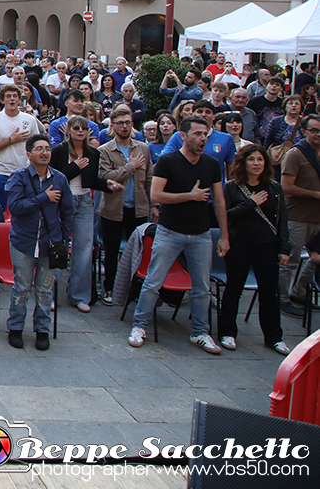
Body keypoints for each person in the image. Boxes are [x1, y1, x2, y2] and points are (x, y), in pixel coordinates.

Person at [131, 117, 229, 354]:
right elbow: (157, 195)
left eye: (205, 133)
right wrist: (189, 196)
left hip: (201, 233)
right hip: (169, 230)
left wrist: (224, 235)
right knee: (153, 281)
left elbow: (218, 200)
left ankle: (200, 332)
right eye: (197, 133)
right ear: (183, 136)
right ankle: (139, 326)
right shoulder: (167, 161)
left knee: (202, 287)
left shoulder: (211, 164)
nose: (203, 138)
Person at [219, 144, 291, 355]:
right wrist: (250, 203)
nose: (256, 164)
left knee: (270, 291)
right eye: (252, 160)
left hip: (267, 245)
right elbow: (226, 215)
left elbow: (283, 219)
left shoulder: (275, 188)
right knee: (234, 288)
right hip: (239, 244)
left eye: (260, 160)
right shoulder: (232, 187)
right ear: (243, 162)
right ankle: (228, 332)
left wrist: (285, 248)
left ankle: (274, 337)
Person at [4, 135, 74, 350]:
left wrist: (63, 238)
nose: (44, 152)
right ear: (29, 154)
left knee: (45, 290)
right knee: (22, 287)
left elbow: (67, 210)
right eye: (39, 149)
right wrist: (43, 198)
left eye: (47, 149)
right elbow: (15, 206)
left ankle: (42, 330)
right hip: (23, 242)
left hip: (50, 243)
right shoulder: (19, 177)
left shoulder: (60, 179)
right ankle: (15, 328)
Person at [50, 116, 118, 313]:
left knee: (85, 247)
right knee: (58, 246)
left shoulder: (93, 153)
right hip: (63, 201)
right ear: (69, 130)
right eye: (76, 128)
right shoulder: (59, 151)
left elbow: (92, 180)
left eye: (84, 128)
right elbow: (55, 178)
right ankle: (50, 294)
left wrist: (107, 185)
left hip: (85, 201)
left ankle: (80, 295)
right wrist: (75, 167)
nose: (80, 131)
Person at [97, 105, 154, 306]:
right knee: (111, 252)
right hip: (113, 209)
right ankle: (110, 288)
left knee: (138, 252)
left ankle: (133, 290)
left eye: (128, 122)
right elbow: (105, 177)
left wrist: (153, 204)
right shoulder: (104, 151)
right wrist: (130, 167)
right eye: (120, 123)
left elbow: (149, 179)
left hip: (138, 208)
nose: (124, 126)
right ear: (112, 126)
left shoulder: (143, 149)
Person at [279, 113, 320, 319]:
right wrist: (315, 194)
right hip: (297, 214)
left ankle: (300, 292)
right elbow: (286, 187)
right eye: (314, 130)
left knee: (316, 257)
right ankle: (281, 297)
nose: (318, 134)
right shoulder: (296, 154)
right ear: (304, 132)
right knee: (292, 258)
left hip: (317, 216)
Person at [0, 84, 44, 210]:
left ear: (19, 99)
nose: (12, 99)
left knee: (24, 210)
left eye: (14, 96)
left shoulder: (30, 120)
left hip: (24, 171)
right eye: (8, 96)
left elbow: (37, 145)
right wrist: (11, 140)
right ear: (2, 100)